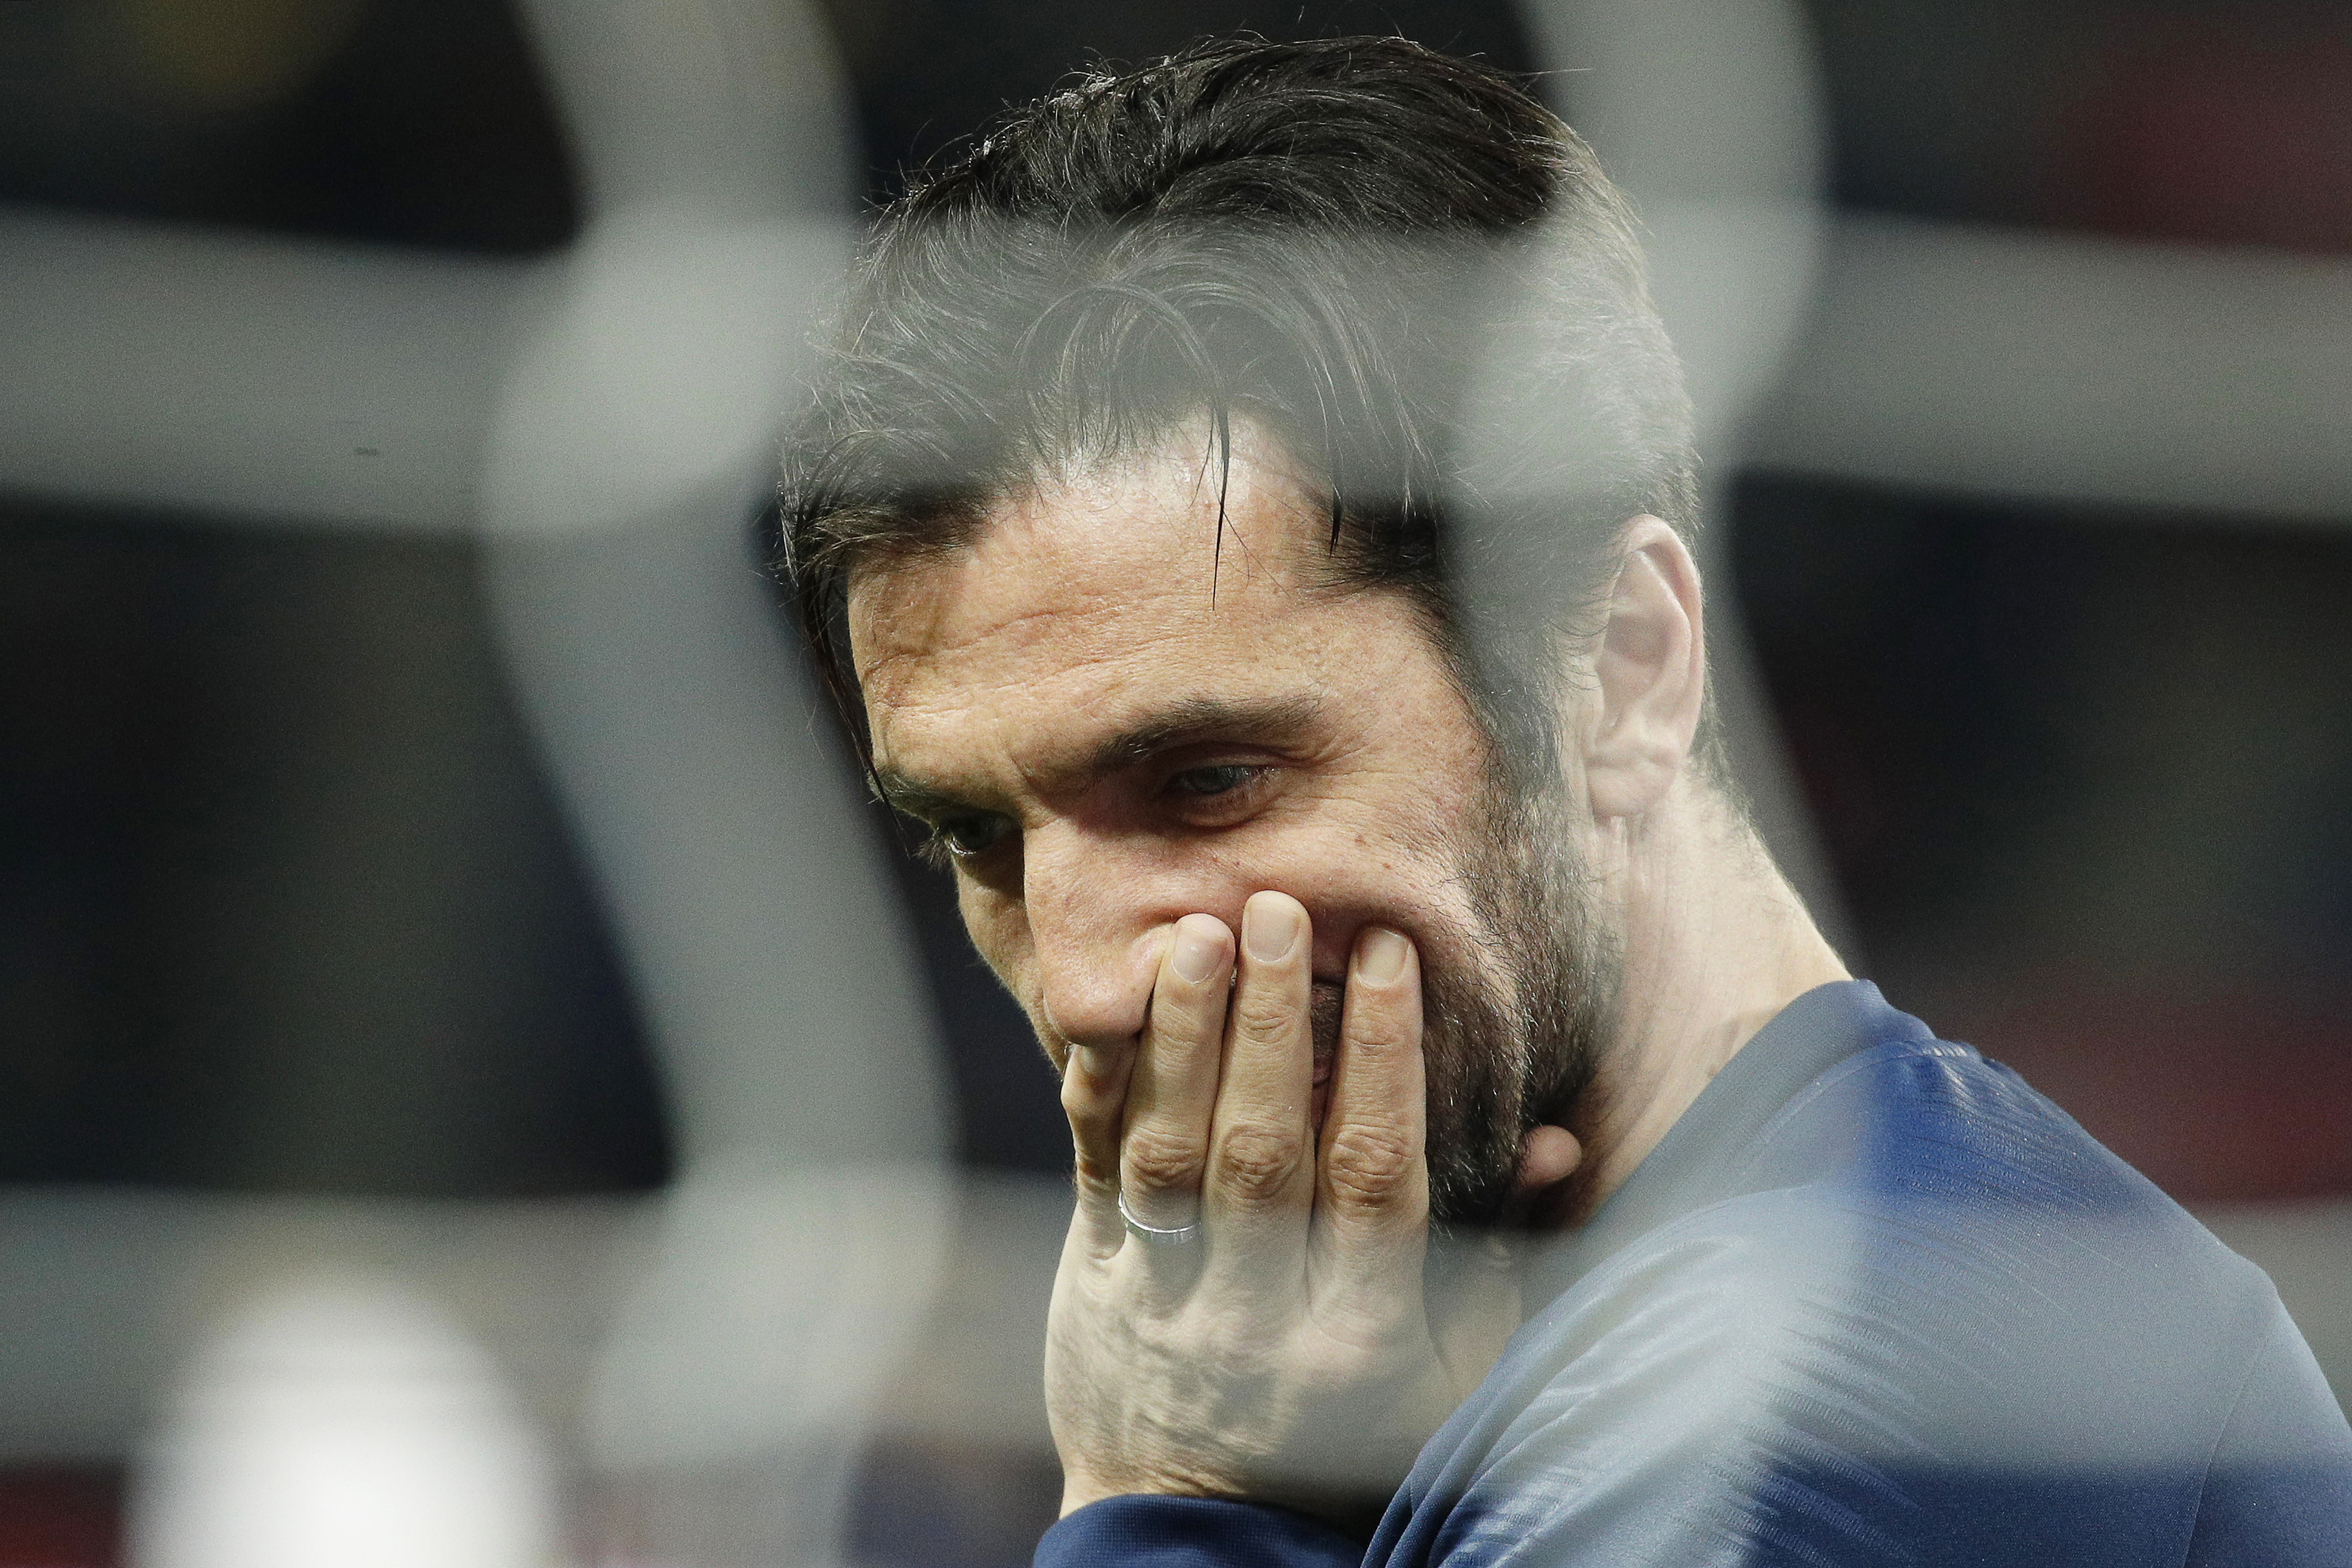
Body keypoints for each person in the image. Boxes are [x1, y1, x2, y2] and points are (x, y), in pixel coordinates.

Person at [777, 35, 2352, 1567]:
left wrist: (1171, 1497)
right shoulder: (1708, 1278)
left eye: (1210, 782)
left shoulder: (1815, 1407)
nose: (1089, 981)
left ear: (1620, 666)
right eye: (982, 837)